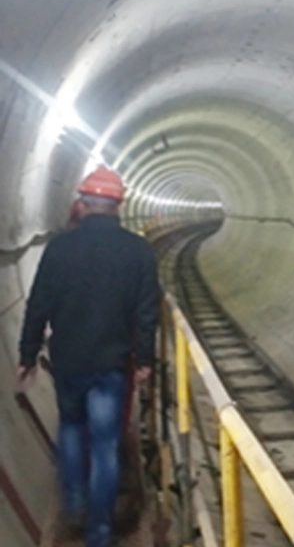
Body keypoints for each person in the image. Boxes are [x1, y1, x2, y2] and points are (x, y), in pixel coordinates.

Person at [17, 166, 161, 547]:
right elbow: (147, 312)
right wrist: (145, 359)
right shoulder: (137, 250)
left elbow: (39, 305)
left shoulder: (59, 247)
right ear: (119, 204)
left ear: (82, 202)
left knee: (70, 430)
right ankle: (98, 532)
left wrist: (28, 354)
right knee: (104, 444)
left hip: (68, 363)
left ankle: (75, 506)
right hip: (111, 366)